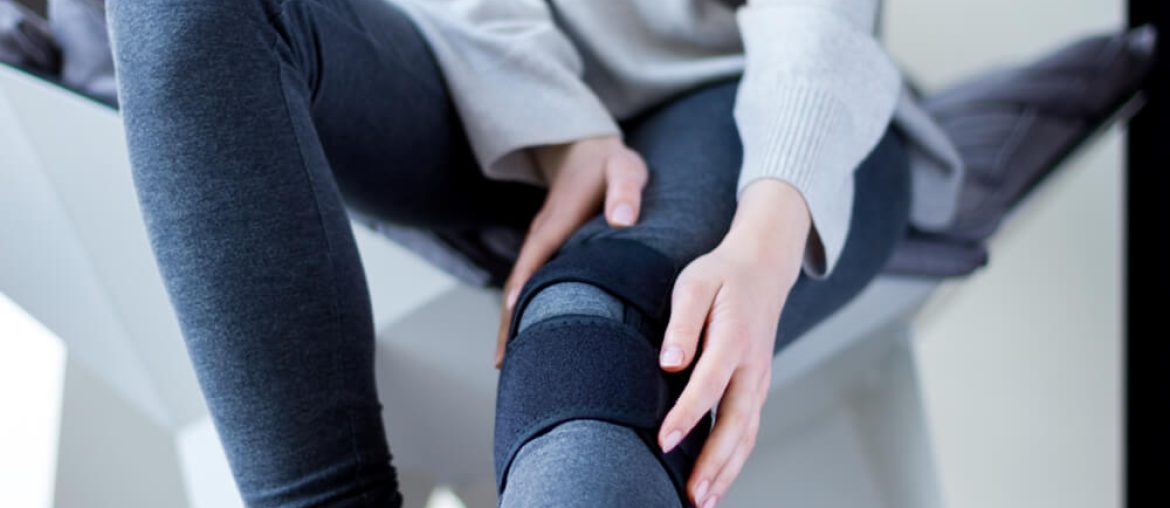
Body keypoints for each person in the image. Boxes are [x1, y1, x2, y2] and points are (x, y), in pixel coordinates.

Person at [106, 0, 959, 506]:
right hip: (467, 57)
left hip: (729, 77)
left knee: (593, 349)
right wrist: (556, 128)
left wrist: (768, 234)